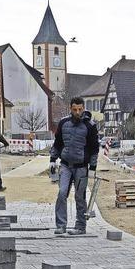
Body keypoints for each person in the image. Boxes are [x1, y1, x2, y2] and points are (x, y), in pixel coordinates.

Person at [49, 97, 99, 235]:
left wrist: (93, 168)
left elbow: (95, 148)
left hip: (82, 167)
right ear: (70, 109)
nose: (77, 112)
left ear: (83, 108)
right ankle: (61, 225)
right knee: (62, 193)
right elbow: (57, 143)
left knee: (79, 197)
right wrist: (52, 159)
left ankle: (80, 226)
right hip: (65, 165)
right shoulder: (63, 123)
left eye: (80, 109)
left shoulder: (90, 126)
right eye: (75, 109)